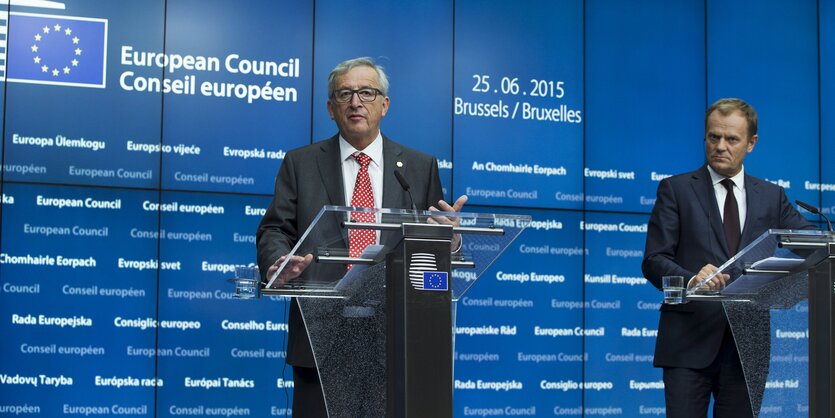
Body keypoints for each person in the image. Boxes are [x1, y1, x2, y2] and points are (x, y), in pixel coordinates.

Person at [256, 57, 467, 417]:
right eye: (345, 94)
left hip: (398, 338)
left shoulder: (419, 167)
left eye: (367, 93)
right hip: (322, 335)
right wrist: (278, 263)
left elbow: (432, 241)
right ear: (330, 108)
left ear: (384, 105)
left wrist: (450, 242)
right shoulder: (301, 163)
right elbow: (275, 229)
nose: (356, 102)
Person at [642, 98, 815, 417]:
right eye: (713, 137)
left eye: (731, 139)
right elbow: (654, 260)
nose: (720, 146)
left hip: (746, 348)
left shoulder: (771, 196)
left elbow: (813, 244)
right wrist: (693, 278)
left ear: (751, 143)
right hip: (687, 344)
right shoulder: (676, 190)